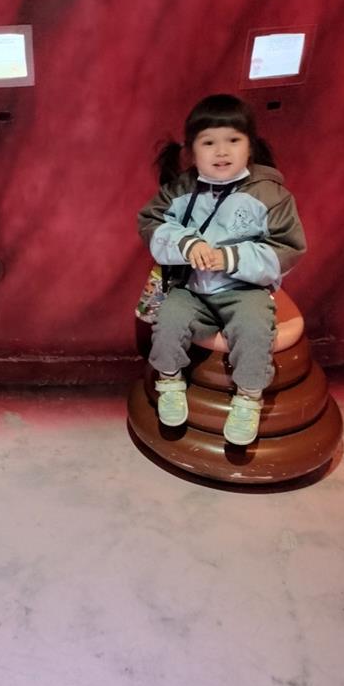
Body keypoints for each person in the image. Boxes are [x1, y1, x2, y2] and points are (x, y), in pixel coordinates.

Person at [137, 94, 306, 446]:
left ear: (250, 146)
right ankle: (169, 381)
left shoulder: (270, 194)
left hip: (245, 289)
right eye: (209, 142)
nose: (221, 151)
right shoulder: (180, 190)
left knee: (255, 328)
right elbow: (151, 224)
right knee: (168, 319)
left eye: (233, 140)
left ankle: (248, 398)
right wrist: (187, 245)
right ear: (191, 150)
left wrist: (230, 258)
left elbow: (287, 249)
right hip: (191, 287)